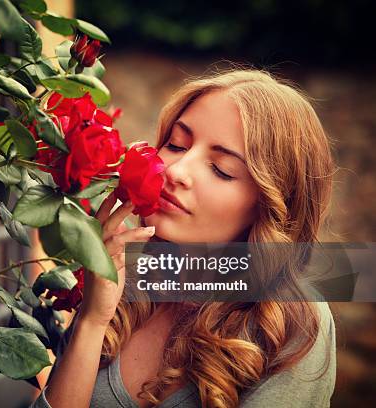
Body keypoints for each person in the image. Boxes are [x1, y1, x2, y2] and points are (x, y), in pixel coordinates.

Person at [31, 70, 337, 408]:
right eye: (176, 145)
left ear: (270, 205)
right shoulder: (120, 282)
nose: (175, 171)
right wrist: (92, 321)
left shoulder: (290, 323)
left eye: (221, 169)